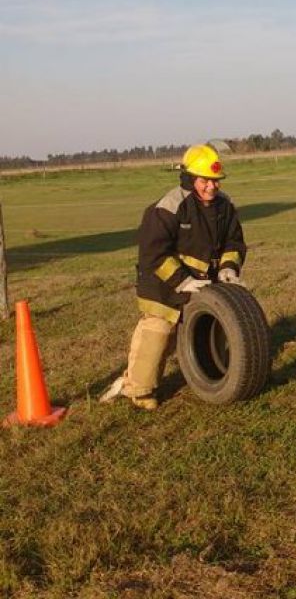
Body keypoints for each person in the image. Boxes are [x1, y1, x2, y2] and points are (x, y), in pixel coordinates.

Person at [100, 144, 247, 410]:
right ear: (191, 179)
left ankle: (214, 369)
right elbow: (153, 253)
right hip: (163, 282)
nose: (211, 187)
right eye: (205, 181)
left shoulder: (226, 206)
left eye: (215, 181)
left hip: (204, 282)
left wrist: (228, 269)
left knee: (210, 327)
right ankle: (138, 389)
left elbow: (234, 243)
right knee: (159, 331)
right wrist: (183, 281)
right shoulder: (169, 207)